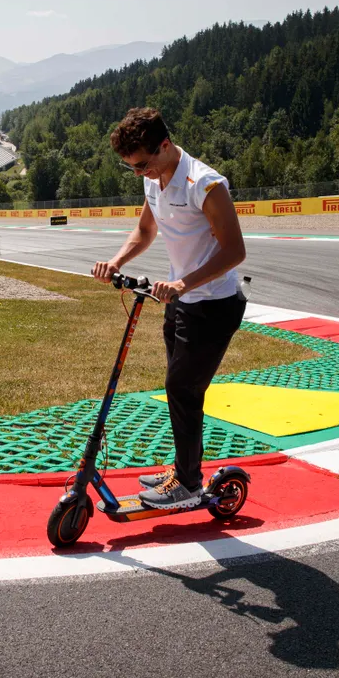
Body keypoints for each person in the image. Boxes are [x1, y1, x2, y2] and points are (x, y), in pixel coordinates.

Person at [91, 107, 247, 509]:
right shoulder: (154, 180)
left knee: (181, 388)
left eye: (142, 164)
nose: (138, 173)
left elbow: (234, 250)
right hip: (180, 303)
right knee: (182, 391)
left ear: (164, 145)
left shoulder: (204, 184)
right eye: (131, 167)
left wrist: (182, 283)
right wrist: (116, 262)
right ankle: (183, 469)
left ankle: (189, 484)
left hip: (214, 303)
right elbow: (145, 231)